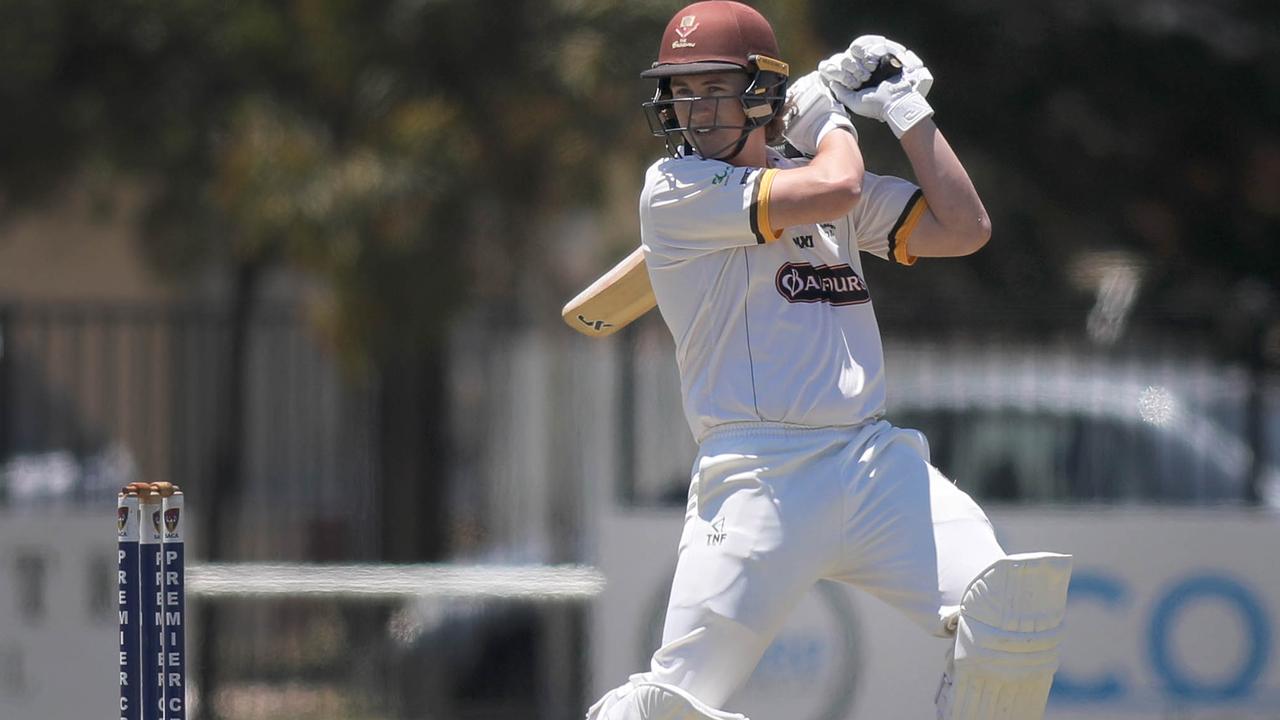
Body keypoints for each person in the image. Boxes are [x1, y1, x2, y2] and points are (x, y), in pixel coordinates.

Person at [586, 3, 1072, 719]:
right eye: (682, 92)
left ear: (759, 91)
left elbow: (965, 228)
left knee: (1010, 610)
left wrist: (905, 110)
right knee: (666, 707)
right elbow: (838, 186)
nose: (695, 110)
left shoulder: (810, 178)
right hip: (759, 479)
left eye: (714, 87)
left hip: (873, 461)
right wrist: (829, 116)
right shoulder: (675, 190)